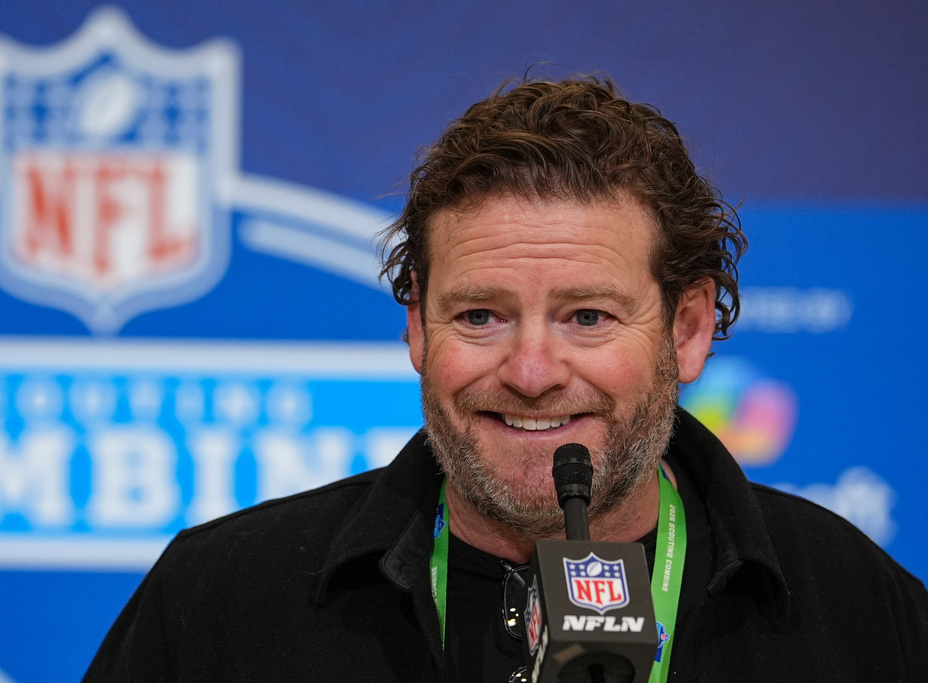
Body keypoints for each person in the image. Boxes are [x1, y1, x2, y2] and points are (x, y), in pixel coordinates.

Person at [83, 76, 928, 682]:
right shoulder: (221, 599)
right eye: (481, 315)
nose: (530, 373)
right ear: (419, 327)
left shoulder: (856, 608)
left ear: (689, 328)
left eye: (587, 316)